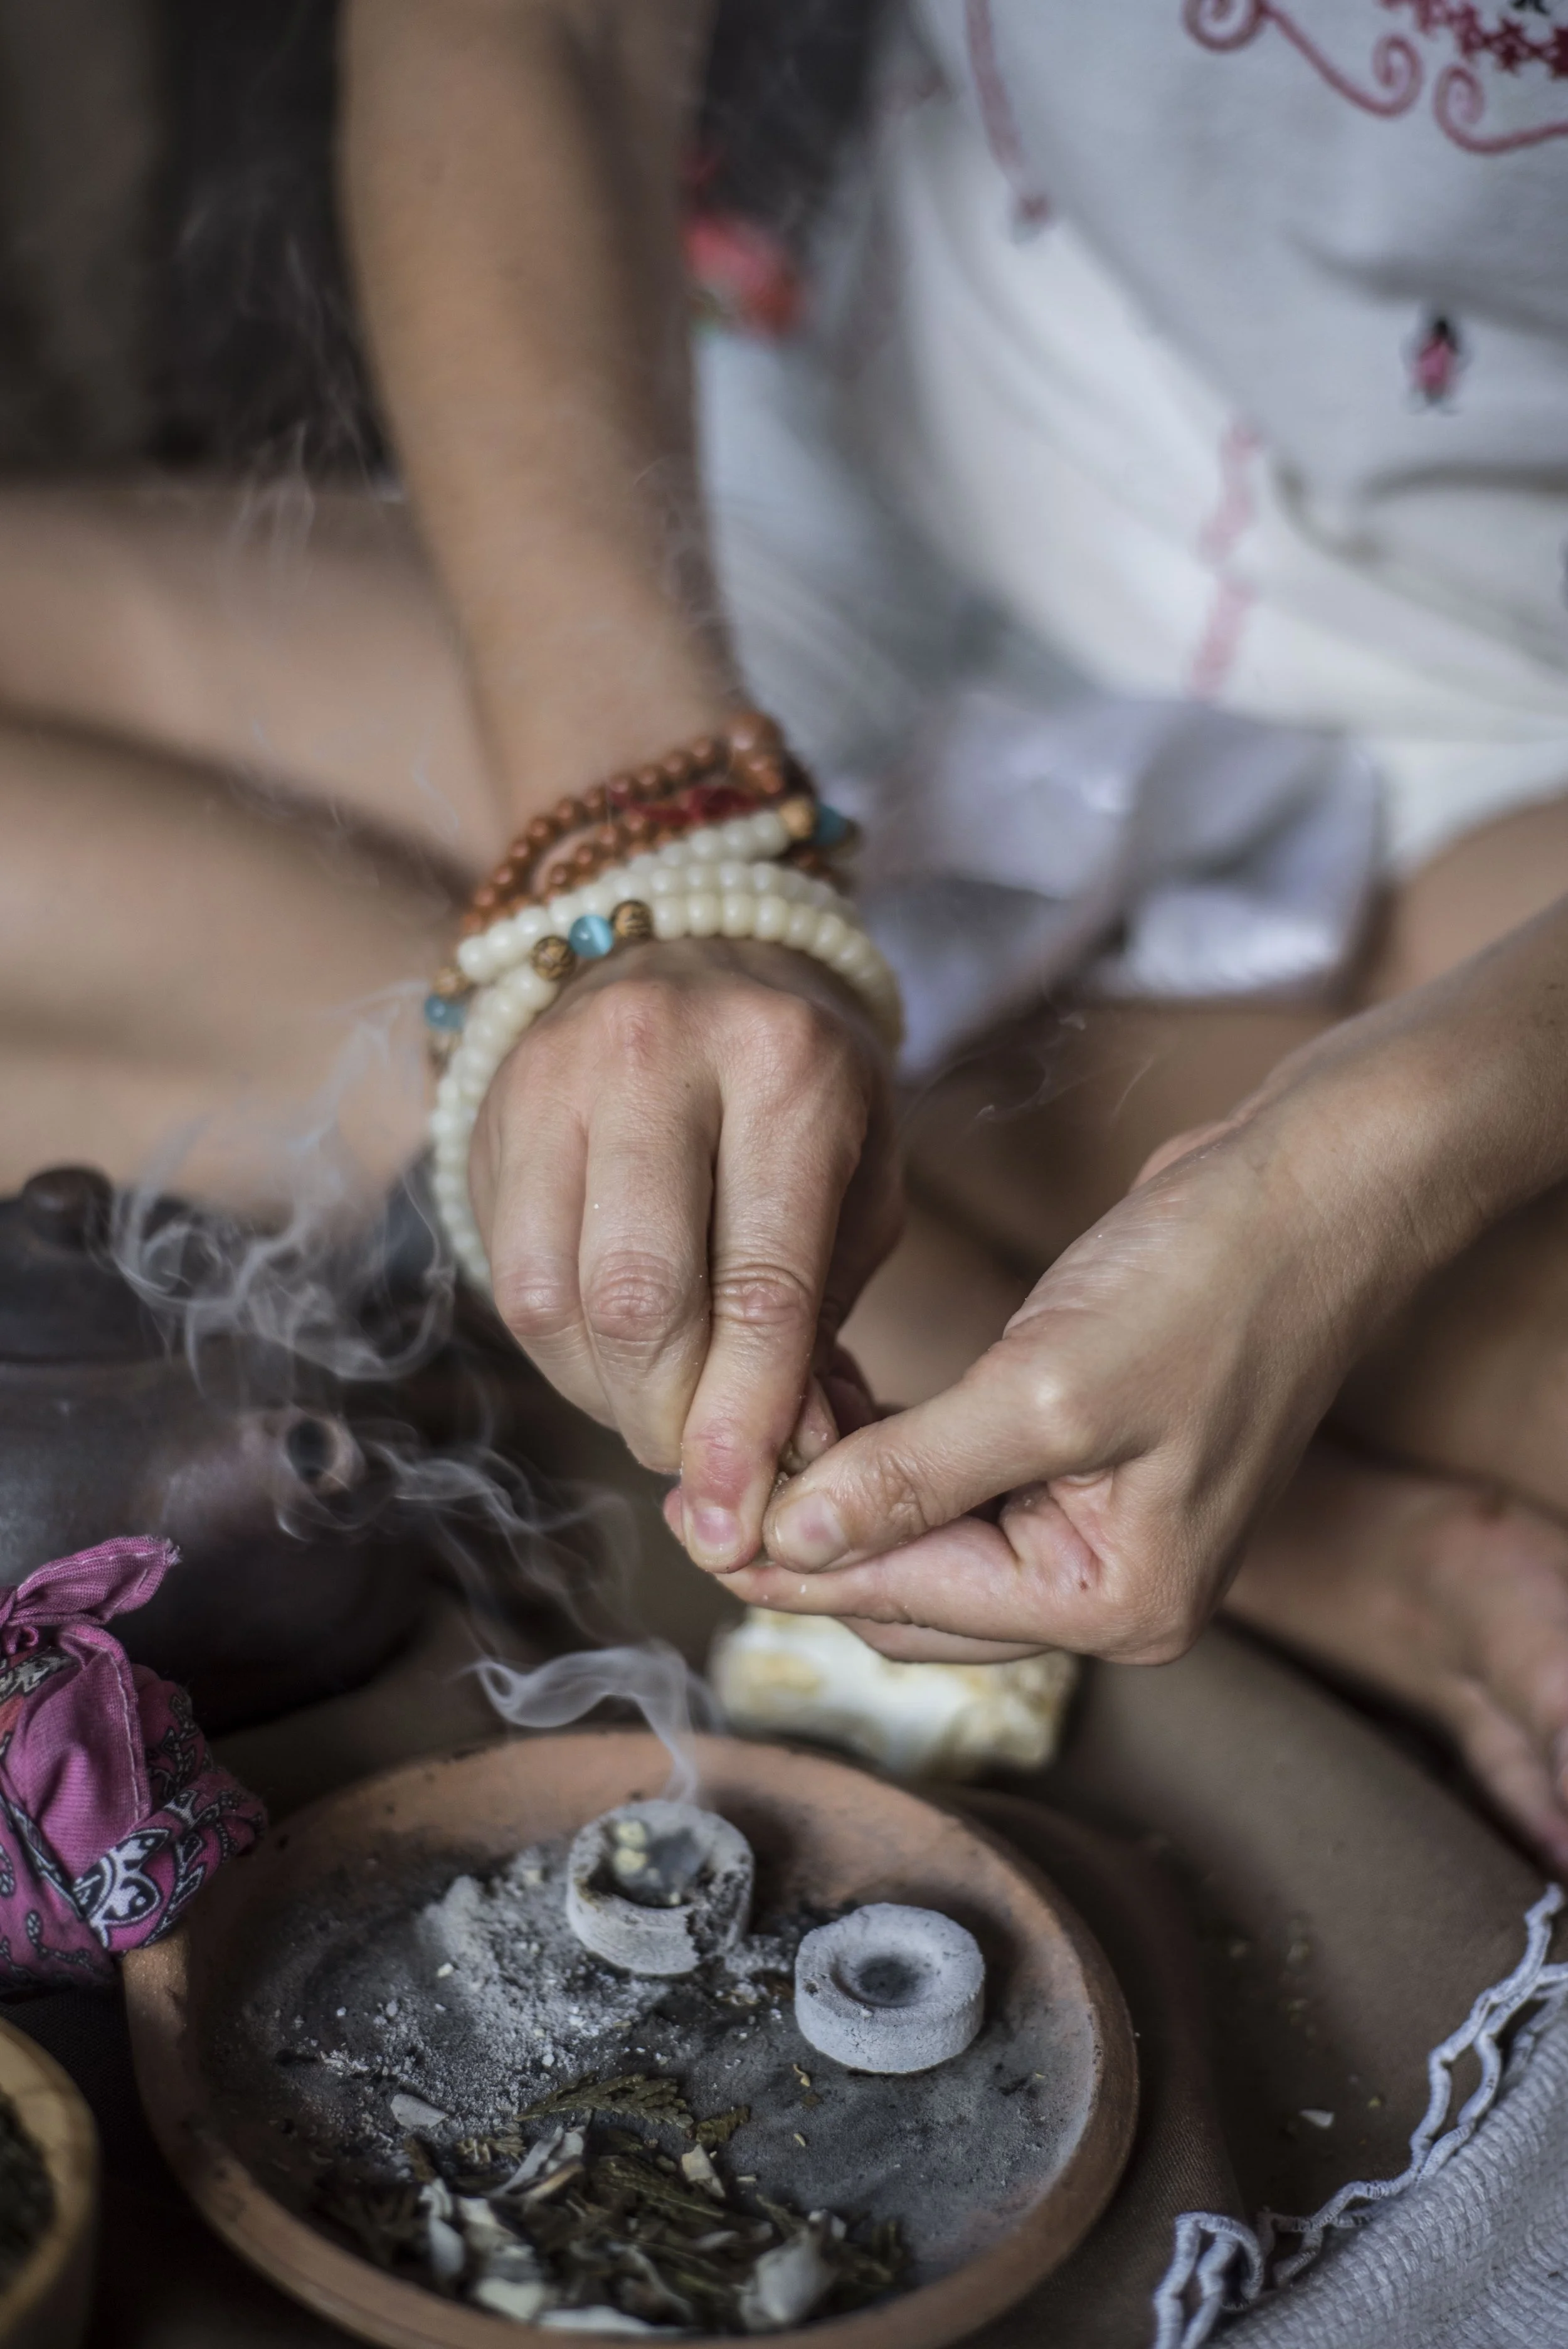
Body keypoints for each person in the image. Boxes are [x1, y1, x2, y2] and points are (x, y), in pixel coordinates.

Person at [8, 0, 1568, 1866]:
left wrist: (1359, 1168)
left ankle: (754, 1161)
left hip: (1505, 772)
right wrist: (639, 856)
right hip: (849, 522)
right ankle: (772, 1200)